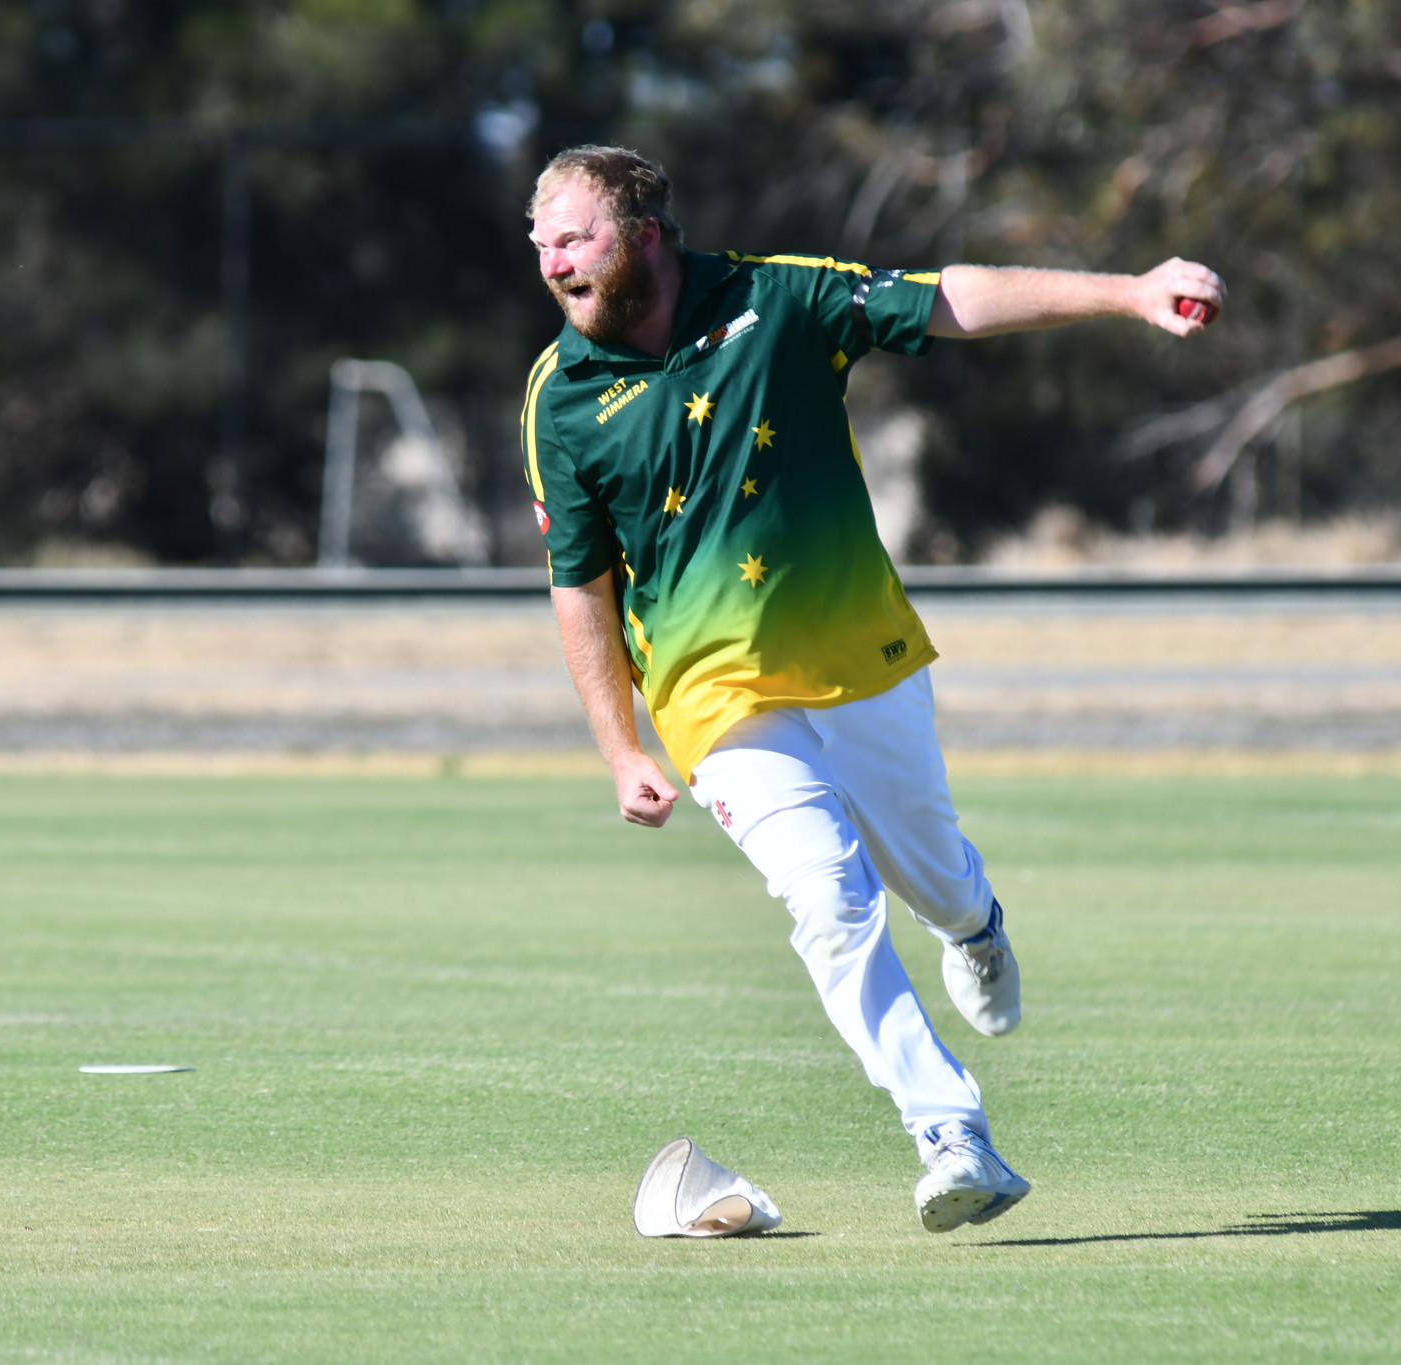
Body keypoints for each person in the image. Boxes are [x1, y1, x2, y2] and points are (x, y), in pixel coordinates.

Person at [521, 145, 1224, 1233]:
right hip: (713, 700)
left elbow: (948, 300)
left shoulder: (775, 297)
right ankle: (948, 1133)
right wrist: (619, 746)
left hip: (857, 658)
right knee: (830, 902)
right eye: (541, 242)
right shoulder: (557, 400)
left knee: (929, 877)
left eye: (575, 236)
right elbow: (579, 585)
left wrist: (1127, 292)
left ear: (644, 235)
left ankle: (973, 925)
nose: (552, 260)